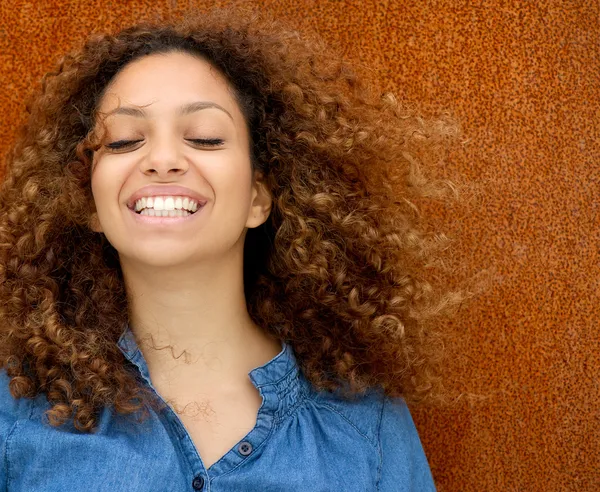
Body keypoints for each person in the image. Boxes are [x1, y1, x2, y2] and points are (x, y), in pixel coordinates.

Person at [0, 6, 459, 491]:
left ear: (259, 198)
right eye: (124, 141)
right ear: (88, 200)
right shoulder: (15, 409)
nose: (161, 159)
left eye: (204, 137)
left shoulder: (368, 427)